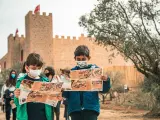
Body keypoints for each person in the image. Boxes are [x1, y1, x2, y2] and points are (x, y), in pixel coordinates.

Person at [62, 45, 111, 120]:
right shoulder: (70, 73)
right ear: (75, 59)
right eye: (78, 59)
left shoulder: (95, 71)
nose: (81, 61)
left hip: (90, 109)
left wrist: (106, 80)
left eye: (83, 59)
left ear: (88, 58)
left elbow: (104, 90)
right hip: (75, 110)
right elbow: (66, 94)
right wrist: (62, 89)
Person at [14, 53, 53, 120]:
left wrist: (56, 96)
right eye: (33, 68)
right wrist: (16, 96)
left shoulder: (45, 81)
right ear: (27, 67)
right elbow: (17, 103)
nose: (36, 70)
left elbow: (50, 102)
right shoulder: (21, 81)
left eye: (39, 68)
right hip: (27, 117)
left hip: (43, 117)